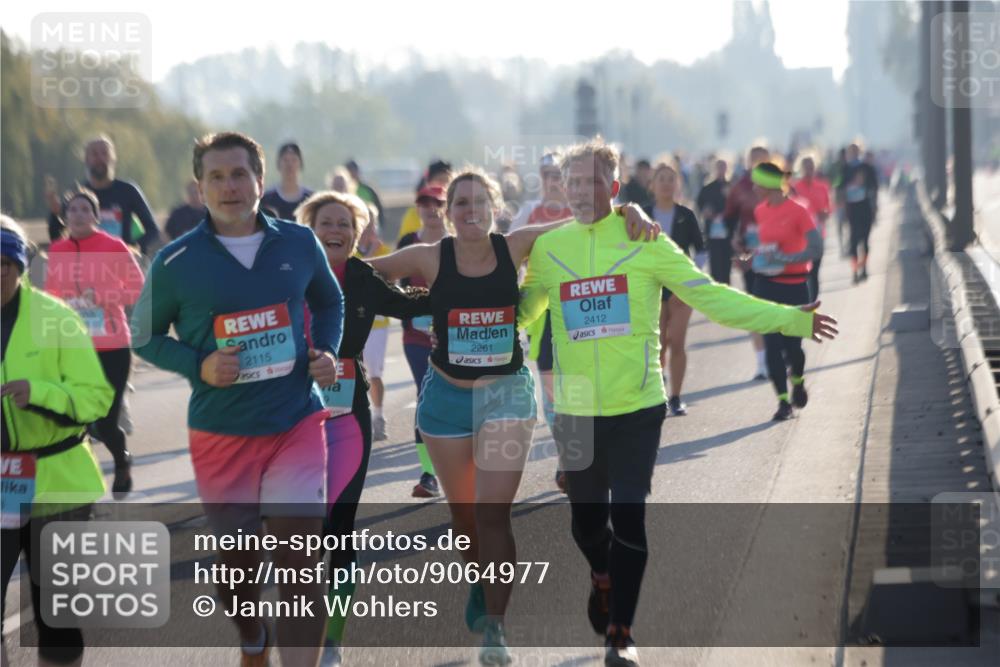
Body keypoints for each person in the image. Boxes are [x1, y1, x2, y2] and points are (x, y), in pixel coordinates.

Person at [519, 139, 839, 667]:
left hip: (638, 404)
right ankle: (601, 574)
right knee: (586, 525)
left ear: (613, 187)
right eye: (572, 182)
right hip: (575, 407)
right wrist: (464, 322)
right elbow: (523, 312)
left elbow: (711, 296)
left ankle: (621, 631)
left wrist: (790, 319)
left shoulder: (646, 241)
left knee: (630, 516)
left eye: (592, 181)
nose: (579, 190)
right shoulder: (550, 249)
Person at [370, 168, 658, 666]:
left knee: (492, 514)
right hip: (446, 402)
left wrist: (629, 209)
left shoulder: (516, 245)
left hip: (505, 396)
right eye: (461, 203)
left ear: (494, 207)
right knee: (464, 520)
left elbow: (586, 218)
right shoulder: (429, 256)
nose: (471, 210)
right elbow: (359, 272)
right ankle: (480, 583)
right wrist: (410, 305)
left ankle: (495, 628)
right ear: (448, 212)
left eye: (479, 201)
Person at [131, 131, 344, 666]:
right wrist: (198, 364)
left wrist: (326, 350)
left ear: (260, 180)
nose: (229, 187)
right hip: (222, 433)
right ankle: (253, 638)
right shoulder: (175, 262)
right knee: (236, 573)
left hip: (295, 421)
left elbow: (330, 302)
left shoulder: (298, 242)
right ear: (200, 187)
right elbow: (143, 336)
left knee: (300, 565)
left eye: (239, 174)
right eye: (217, 177)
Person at [295, 191, 430, 667]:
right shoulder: (290, 273)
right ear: (310, 229)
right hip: (292, 422)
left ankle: (332, 640)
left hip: (348, 420)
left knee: (339, 529)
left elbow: (408, 303)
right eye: (326, 222)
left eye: (344, 224)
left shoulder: (362, 278)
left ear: (357, 235)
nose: (335, 230)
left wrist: (465, 286)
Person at [1, 216, 114, 667]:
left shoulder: (58, 319)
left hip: (57, 480)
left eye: (5, 263)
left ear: (20, 265)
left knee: (56, 613)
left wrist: (40, 394)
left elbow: (96, 398)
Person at [46, 186, 145, 496]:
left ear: (96, 216)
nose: (78, 215)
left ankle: (121, 459)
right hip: (74, 347)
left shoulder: (114, 247)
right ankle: (85, 485)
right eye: (73, 209)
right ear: (65, 217)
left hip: (113, 346)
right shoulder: (57, 251)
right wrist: (63, 303)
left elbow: (137, 290)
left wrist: (101, 297)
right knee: (78, 419)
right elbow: (48, 294)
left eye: (85, 209)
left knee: (105, 422)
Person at [749, 162, 825, 420]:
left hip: (795, 286)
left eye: (757, 183)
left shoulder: (799, 210)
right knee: (772, 346)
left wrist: (786, 259)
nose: (753, 188)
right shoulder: (760, 210)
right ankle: (783, 402)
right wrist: (752, 257)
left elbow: (816, 248)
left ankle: (798, 381)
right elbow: (766, 248)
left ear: (768, 184)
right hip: (766, 285)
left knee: (793, 348)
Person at [396, 184, 450, 498]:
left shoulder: (456, 243)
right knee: (424, 394)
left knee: (452, 397)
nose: (431, 209)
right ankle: (428, 473)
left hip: (454, 337)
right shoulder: (408, 242)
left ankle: (456, 465)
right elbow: (394, 283)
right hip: (415, 336)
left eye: (437, 203)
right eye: (425, 203)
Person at [644, 162, 706, 417]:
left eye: (671, 179)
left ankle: (676, 397)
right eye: (662, 179)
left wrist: (691, 278)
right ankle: (658, 393)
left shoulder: (686, 214)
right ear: (652, 185)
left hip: (680, 288)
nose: (666, 184)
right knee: (658, 344)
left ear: (678, 183)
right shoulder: (642, 213)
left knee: (677, 341)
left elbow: (701, 250)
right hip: (652, 287)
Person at [46, 135, 160, 254]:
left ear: (113, 158)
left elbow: (152, 230)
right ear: (86, 159)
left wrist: (132, 249)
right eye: (94, 154)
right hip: (85, 260)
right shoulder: (76, 194)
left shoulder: (128, 191)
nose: (100, 158)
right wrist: (55, 214)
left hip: (120, 260)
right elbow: (56, 237)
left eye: (104, 153)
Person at [725, 145, 771, 381]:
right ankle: (762, 362)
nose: (758, 163)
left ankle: (780, 355)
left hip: (776, 254)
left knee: (776, 305)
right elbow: (729, 218)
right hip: (750, 255)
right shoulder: (740, 187)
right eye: (754, 159)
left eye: (762, 159)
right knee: (754, 307)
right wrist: (734, 240)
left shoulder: (779, 183)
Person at [357, 202, 394, 441]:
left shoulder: (385, 251)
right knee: (354, 373)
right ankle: (360, 418)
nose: (368, 228)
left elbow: (387, 285)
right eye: (364, 222)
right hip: (354, 321)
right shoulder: (349, 250)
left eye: (372, 223)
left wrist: (372, 254)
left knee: (374, 373)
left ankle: (378, 416)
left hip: (377, 323)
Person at [791, 156, 832, 301]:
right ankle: (805, 301)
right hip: (801, 236)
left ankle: (813, 302)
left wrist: (824, 214)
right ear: (801, 169)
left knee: (815, 271)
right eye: (806, 167)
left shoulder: (822, 186)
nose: (809, 170)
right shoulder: (795, 188)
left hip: (818, 233)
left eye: (811, 167)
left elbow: (829, 209)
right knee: (804, 271)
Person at [838, 143, 880, 283]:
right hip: (852, 209)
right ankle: (855, 271)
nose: (854, 154)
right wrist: (842, 208)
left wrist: (875, 207)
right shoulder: (845, 169)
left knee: (865, 241)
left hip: (865, 207)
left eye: (856, 151)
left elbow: (874, 186)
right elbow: (840, 187)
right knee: (854, 241)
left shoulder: (867, 167)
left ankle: (865, 268)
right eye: (851, 151)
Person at [696, 158, 733, 284]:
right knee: (715, 263)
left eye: (723, 167)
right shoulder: (707, 188)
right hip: (712, 231)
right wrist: (705, 211)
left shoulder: (731, 186)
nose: (721, 170)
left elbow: (738, 207)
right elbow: (699, 204)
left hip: (728, 231)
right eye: (719, 167)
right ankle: (716, 287)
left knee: (727, 264)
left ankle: (727, 288)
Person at [397, 160, 453, 241]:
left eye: (448, 181)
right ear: (428, 183)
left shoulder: (457, 212)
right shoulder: (413, 215)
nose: (444, 186)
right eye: (440, 180)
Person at [260, 141, 314, 220]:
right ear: (278, 164)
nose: (289, 165)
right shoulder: (267, 199)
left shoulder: (310, 199)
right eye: (285, 160)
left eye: (294, 160)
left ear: (300, 164)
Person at [345, 159, 385, 227]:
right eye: (349, 172)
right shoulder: (345, 191)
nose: (352, 174)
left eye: (353, 171)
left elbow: (379, 210)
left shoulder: (368, 190)